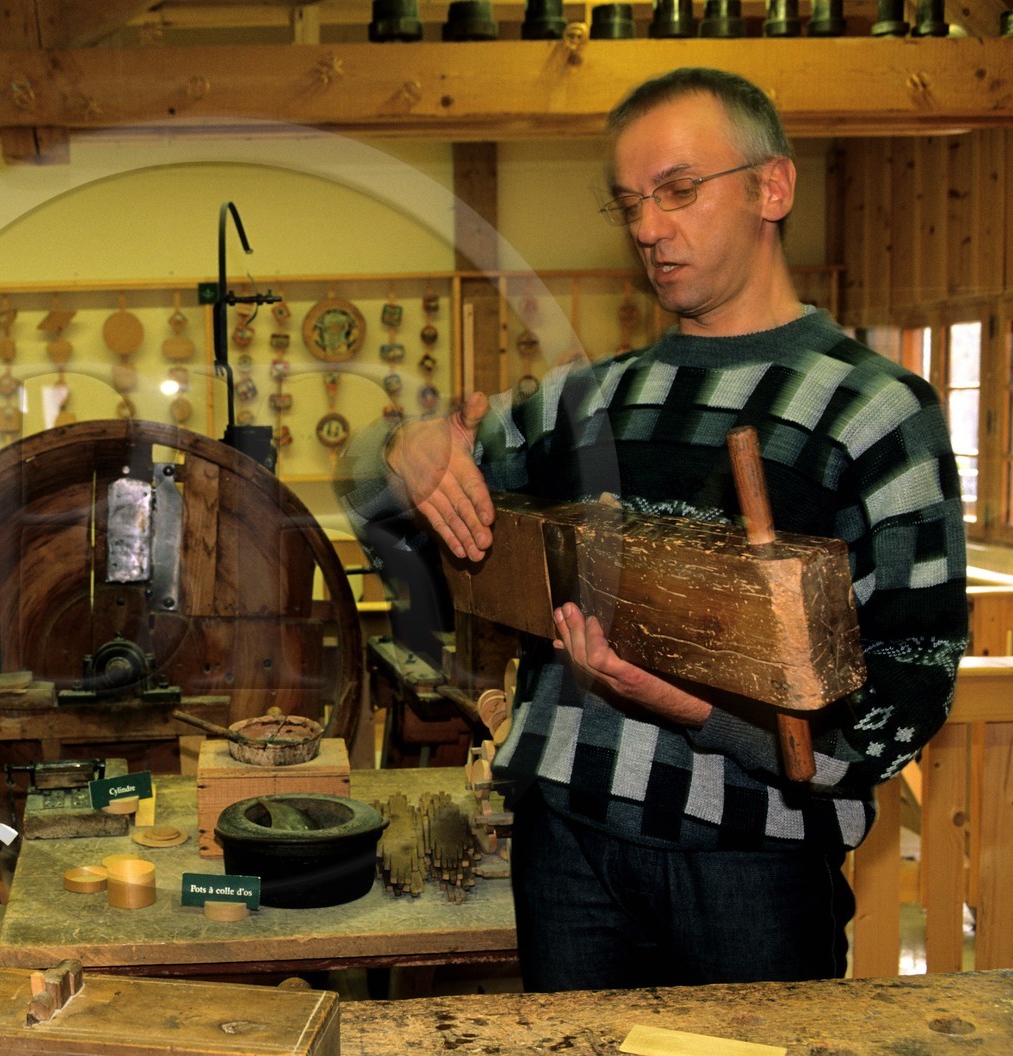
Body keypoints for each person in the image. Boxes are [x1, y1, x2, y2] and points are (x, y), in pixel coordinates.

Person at [336, 67, 967, 991]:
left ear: (772, 187)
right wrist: (406, 448)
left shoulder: (874, 411)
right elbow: (373, 503)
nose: (645, 228)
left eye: (677, 192)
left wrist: (713, 719)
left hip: (754, 863)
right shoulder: (587, 403)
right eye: (629, 202)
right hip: (568, 847)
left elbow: (914, 681)